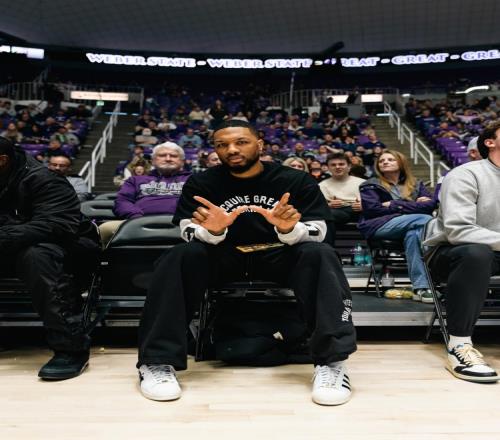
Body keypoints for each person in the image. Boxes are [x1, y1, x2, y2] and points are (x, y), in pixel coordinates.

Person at [136, 120, 356, 406]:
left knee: (320, 254)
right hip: (223, 255)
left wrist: (289, 229)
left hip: (280, 254)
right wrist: (214, 231)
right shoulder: (202, 183)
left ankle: (332, 362)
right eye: (222, 145)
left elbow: (320, 230)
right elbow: (188, 231)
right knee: (179, 255)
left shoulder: (295, 180)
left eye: (241, 142)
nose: (231, 149)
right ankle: (156, 361)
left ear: (260, 144)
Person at [0, 137, 100, 379]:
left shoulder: (45, 180)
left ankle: (71, 348)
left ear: (2, 161)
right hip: (11, 246)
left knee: (37, 256)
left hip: (68, 246)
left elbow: (54, 226)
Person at [424, 121, 500, 383]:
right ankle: (459, 345)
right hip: (452, 252)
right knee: (476, 253)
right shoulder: (466, 174)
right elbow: (459, 231)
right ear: (489, 142)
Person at [358, 150, 437, 302]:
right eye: (382, 161)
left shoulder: (416, 184)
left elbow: (430, 205)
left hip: (412, 225)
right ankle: (437, 276)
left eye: (390, 159)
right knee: (427, 219)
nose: (385, 162)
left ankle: (421, 288)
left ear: (401, 163)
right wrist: (413, 206)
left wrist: (394, 204)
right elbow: (373, 210)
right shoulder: (370, 185)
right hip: (379, 226)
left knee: (415, 234)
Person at [99, 142, 190, 246]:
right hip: (136, 221)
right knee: (105, 228)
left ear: (182, 161)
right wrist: (136, 218)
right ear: (153, 160)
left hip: (183, 223)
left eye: (173, 156)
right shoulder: (135, 180)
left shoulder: (193, 179)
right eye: (162, 155)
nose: (168, 158)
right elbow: (122, 201)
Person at [319, 153, 364, 227]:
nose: (337, 167)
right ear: (328, 168)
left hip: (357, 211)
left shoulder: (362, 182)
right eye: (333, 165)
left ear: (349, 166)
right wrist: (328, 205)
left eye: (341, 164)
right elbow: (318, 206)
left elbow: (373, 202)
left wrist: (364, 205)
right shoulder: (321, 185)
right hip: (335, 212)